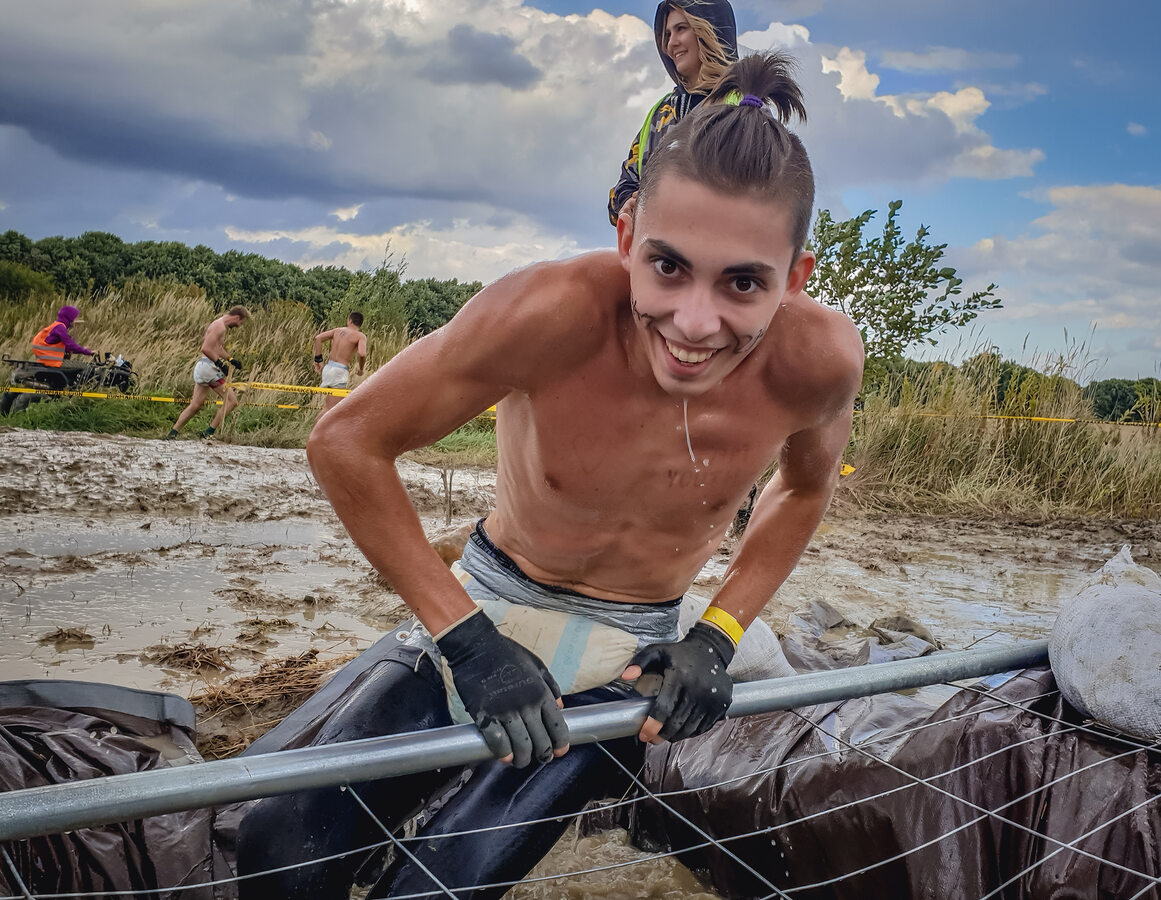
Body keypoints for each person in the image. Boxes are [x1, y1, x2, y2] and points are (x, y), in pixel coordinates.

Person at [237, 53, 863, 898]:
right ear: (627, 235)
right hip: (486, 608)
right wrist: (467, 641)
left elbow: (805, 487)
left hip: (627, 658)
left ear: (794, 279)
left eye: (743, 283)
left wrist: (716, 635)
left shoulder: (817, 363)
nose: (694, 323)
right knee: (280, 848)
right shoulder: (547, 313)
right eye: (668, 266)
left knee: (438, 886)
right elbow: (347, 441)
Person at [607, 0, 739, 225]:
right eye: (667, 34)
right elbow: (624, 185)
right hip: (655, 254)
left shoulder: (743, 106)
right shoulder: (660, 112)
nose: (670, 44)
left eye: (681, 29)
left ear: (710, 30)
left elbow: (761, 196)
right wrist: (627, 204)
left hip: (717, 253)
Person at [165, 306, 248, 439]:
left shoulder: (219, 325)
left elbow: (217, 348)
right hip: (209, 369)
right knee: (232, 402)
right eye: (240, 322)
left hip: (204, 367)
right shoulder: (219, 327)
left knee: (196, 405)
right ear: (237, 317)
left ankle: (172, 433)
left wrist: (230, 359)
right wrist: (219, 363)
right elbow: (205, 348)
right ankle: (208, 433)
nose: (239, 326)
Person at [311, 311, 367, 420]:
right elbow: (362, 353)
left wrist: (318, 360)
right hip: (340, 371)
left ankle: (320, 434)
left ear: (349, 320)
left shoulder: (337, 331)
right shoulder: (360, 336)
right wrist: (361, 369)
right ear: (360, 324)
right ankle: (317, 434)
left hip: (328, 368)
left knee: (329, 406)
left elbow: (318, 338)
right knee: (332, 410)